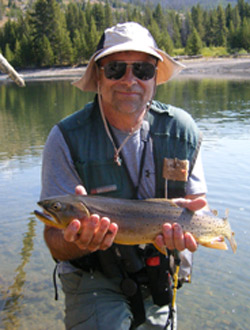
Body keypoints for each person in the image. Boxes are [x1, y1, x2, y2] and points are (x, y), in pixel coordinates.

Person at [41, 22, 208, 329]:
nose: (129, 80)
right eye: (116, 69)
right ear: (99, 76)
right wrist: (81, 240)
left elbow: (199, 207)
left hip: (161, 273)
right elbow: (53, 241)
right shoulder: (65, 137)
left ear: (155, 76)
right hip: (92, 276)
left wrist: (191, 231)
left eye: (142, 70)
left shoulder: (182, 131)